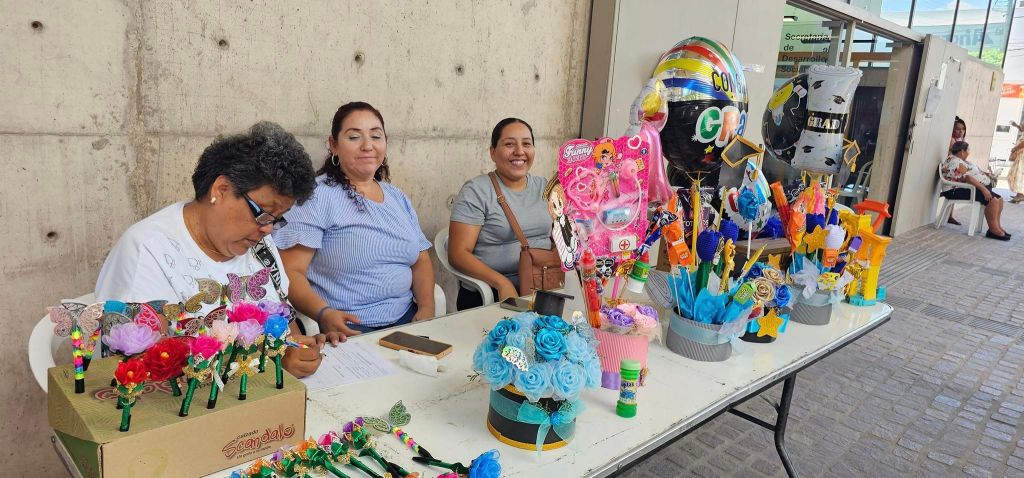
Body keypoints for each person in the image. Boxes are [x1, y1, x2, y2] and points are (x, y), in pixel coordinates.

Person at [95, 122, 332, 378]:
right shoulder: (147, 251)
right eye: (264, 213)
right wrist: (270, 360)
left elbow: (284, 319)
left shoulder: (259, 246)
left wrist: (295, 348)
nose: (268, 229)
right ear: (221, 189)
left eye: (277, 218)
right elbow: (137, 374)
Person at [273, 102, 434, 336]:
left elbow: (420, 259)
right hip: (348, 328)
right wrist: (323, 313)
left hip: (407, 320)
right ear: (333, 145)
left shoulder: (397, 197)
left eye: (376, 136)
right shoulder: (317, 196)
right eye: (354, 137)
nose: (367, 145)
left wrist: (427, 308)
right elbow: (291, 271)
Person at [449, 118, 552, 310]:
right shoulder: (477, 191)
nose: (519, 151)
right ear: (493, 152)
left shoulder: (546, 187)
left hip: (544, 285)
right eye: (509, 144)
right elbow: (458, 254)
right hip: (492, 292)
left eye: (526, 144)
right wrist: (501, 283)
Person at [940, 141, 1010, 241]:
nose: (968, 153)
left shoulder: (959, 160)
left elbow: (971, 173)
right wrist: (984, 189)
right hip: (955, 190)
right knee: (993, 200)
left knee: (999, 199)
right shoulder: (955, 161)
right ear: (962, 151)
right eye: (967, 150)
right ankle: (993, 230)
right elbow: (967, 177)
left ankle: (997, 226)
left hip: (965, 188)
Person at [946, 116, 968, 225]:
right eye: (958, 129)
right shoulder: (952, 140)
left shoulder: (959, 140)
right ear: (952, 129)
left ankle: (950, 215)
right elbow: (955, 158)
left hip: (957, 168)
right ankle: (949, 216)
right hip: (952, 170)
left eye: (963, 129)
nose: (961, 131)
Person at [1008, 121, 1024, 203]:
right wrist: (1016, 126)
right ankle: (1019, 194)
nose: (1021, 126)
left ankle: (1020, 195)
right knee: (1018, 174)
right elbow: (1022, 130)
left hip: (1022, 156)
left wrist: (1015, 148)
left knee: (1018, 175)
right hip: (1020, 155)